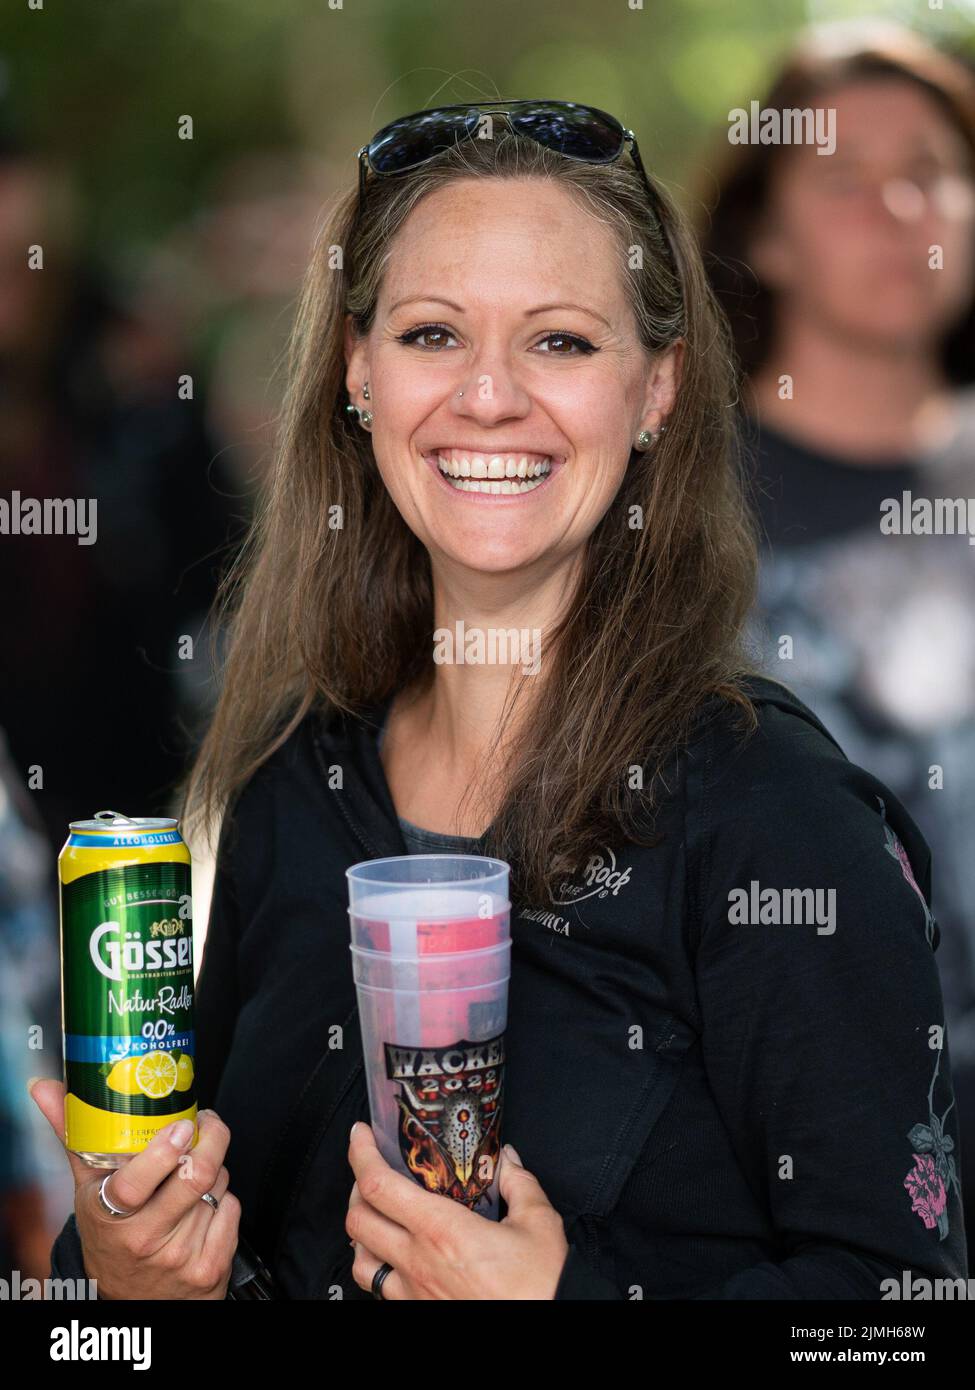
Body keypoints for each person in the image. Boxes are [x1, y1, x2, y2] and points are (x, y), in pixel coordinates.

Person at [31, 100, 967, 1300]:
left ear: (658, 390)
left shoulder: (780, 821)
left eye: (562, 342)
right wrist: (119, 1282)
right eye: (432, 334)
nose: (488, 396)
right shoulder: (292, 780)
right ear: (359, 372)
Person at [698, 20, 975, 1247]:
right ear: (763, 234)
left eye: (930, 165)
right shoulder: (673, 505)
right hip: (776, 1179)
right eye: (842, 178)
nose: (899, 205)